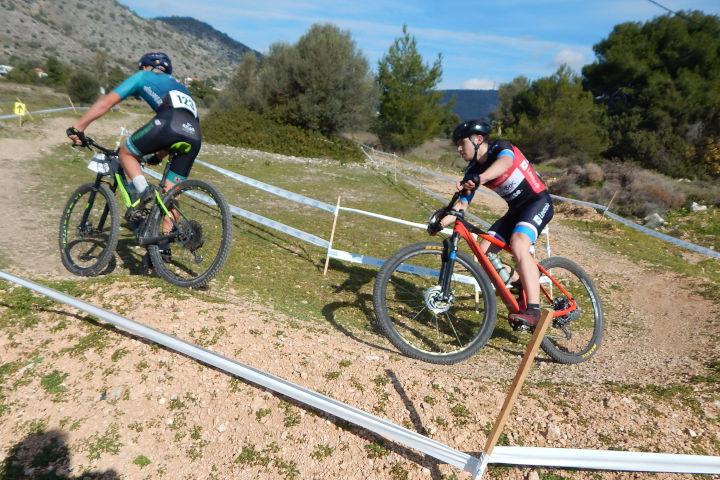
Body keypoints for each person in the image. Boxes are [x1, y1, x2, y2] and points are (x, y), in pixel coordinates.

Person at [66, 52, 201, 257]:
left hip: (168, 123)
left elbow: (106, 103)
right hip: (194, 135)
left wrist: (79, 127)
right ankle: (163, 248)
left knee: (126, 153)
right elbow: (182, 129)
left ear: (145, 67)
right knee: (171, 193)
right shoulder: (182, 87)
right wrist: (158, 156)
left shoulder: (142, 76)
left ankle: (143, 191)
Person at [431, 120, 554, 329]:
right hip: (515, 210)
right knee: (484, 252)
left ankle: (534, 310)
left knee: (519, 243)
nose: (459, 149)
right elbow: (462, 205)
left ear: (478, 139)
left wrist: (480, 178)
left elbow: (505, 163)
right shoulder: (472, 170)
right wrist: (440, 223)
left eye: (462, 143)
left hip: (538, 202)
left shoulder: (500, 147)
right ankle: (522, 281)